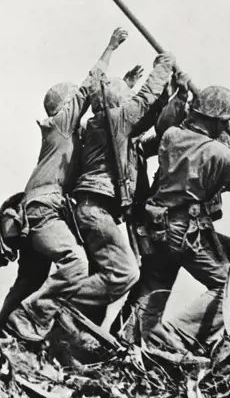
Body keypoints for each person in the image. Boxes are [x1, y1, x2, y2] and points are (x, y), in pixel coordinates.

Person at [135, 85, 230, 351]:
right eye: (225, 121)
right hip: (185, 229)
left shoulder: (172, 136)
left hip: (158, 225)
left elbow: (217, 177)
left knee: (153, 291)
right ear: (217, 120)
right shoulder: (218, 153)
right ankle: (173, 337)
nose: (226, 127)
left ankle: (132, 341)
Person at [4, 27, 128, 342]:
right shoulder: (59, 126)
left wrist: (126, 83)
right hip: (43, 209)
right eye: (72, 102)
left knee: (29, 279)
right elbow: (89, 89)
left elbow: (106, 108)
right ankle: (30, 319)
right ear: (63, 107)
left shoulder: (70, 137)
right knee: (75, 263)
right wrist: (110, 48)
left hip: (44, 210)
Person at [65, 51, 176, 325]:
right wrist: (163, 67)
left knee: (102, 280)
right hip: (96, 210)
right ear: (117, 104)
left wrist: (170, 95)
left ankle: (76, 335)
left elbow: (148, 119)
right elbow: (143, 101)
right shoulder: (112, 121)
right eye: (125, 98)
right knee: (124, 273)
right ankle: (56, 303)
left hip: (96, 210)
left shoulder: (111, 130)